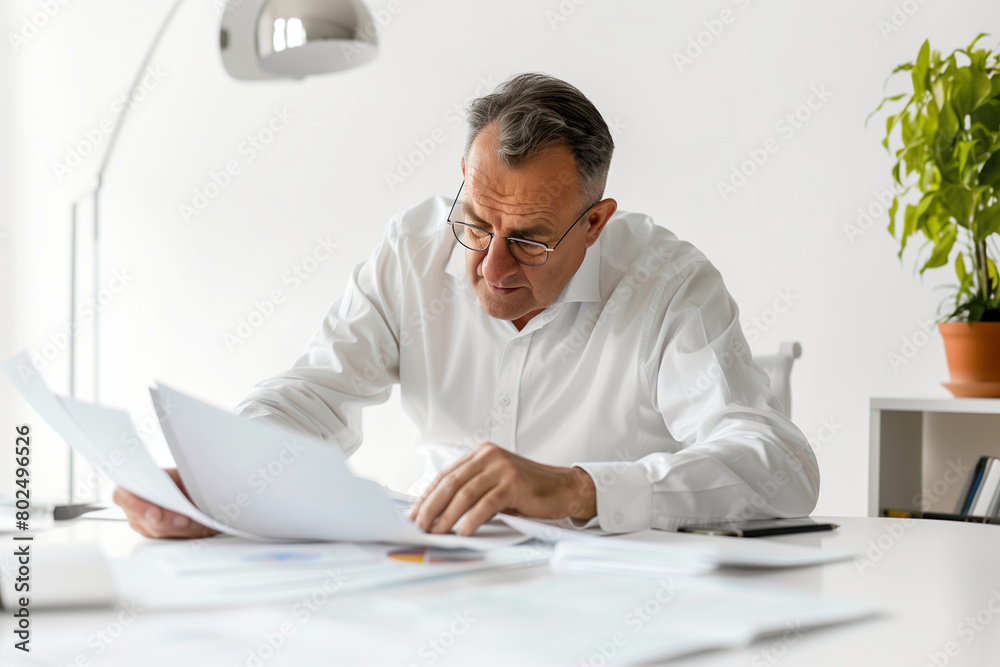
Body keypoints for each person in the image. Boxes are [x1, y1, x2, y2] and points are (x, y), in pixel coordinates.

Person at [113, 73, 819, 540]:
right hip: (431, 575)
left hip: (610, 603)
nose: (490, 266)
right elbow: (314, 394)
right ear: (463, 178)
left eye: (530, 241)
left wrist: (579, 490)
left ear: (596, 223)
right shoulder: (413, 248)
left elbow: (780, 468)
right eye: (477, 224)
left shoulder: (669, 284)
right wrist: (227, 476)